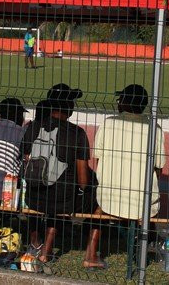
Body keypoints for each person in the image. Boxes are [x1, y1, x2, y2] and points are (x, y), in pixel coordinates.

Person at [21, 84, 101, 268]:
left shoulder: (32, 128)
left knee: (55, 195)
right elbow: (82, 181)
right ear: (69, 108)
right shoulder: (77, 133)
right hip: (61, 201)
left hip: (32, 196)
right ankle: (47, 252)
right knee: (90, 197)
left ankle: (35, 242)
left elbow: (26, 160)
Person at [94, 84, 166, 222]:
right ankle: (149, 240)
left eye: (120, 99)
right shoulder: (155, 129)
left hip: (109, 199)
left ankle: (91, 243)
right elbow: (158, 169)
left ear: (125, 102)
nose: (118, 103)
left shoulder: (108, 124)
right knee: (150, 210)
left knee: (98, 215)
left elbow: (98, 161)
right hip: (143, 203)